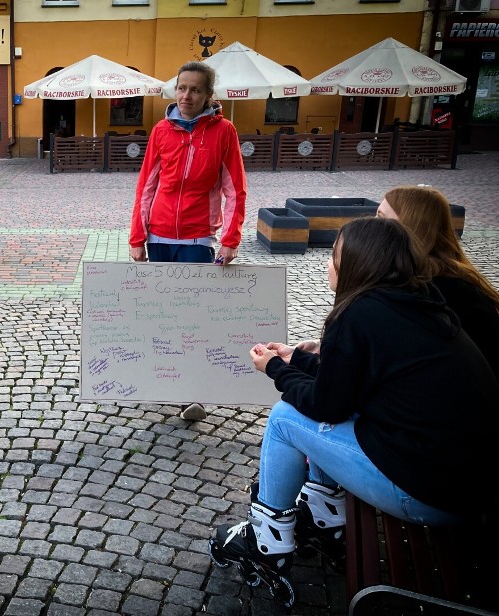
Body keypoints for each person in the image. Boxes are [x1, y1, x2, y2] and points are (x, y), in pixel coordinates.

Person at [208, 217, 497, 606]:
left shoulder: (359, 313)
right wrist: (294, 359)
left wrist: (275, 370)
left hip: (429, 493)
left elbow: (325, 404)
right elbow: (344, 386)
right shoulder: (412, 302)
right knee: (333, 415)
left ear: (356, 265)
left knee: (284, 418)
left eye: (333, 256)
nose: (328, 264)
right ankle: (325, 515)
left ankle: (267, 539)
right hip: (462, 484)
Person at [128, 61, 247, 421]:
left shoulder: (224, 131)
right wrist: (137, 236)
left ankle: (190, 393)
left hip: (198, 240)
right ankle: (163, 377)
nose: (186, 96)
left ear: (209, 95)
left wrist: (231, 238)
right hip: (159, 237)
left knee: (193, 319)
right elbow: (146, 185)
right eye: (181, 88)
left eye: (195, 89)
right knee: (162, 316)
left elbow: (235, 190)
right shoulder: (161, 131)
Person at [376, 186, 499, 379]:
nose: (371, 225)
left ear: (411, 227)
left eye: (382, 219)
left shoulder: (430, 286)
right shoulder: (443, 272)